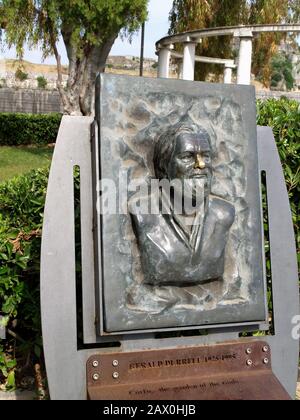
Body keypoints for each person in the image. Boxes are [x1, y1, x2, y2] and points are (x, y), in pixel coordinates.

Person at [129, 122, 235, 289]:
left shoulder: (224, 213)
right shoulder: (143, 213)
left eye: (205, 156)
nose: (201, 164)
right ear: (164, 166)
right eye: (187, 156)